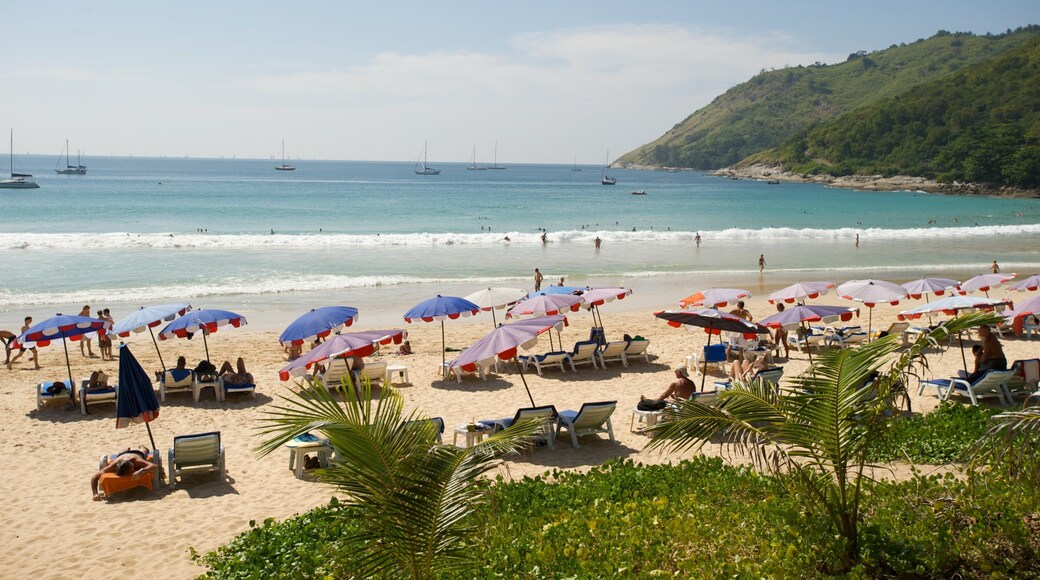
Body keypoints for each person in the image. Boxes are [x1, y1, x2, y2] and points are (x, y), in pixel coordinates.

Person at [91, 450, 159, 501]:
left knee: (143, 450)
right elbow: (94, 477)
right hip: (121, 456)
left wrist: (142, 470)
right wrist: (95, 494)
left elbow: (155, 466)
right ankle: (125, 449)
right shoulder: (113, 466)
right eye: (132, 470)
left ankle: (140, 448)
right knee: (122, 451)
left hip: (137, 453)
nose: (134, 470)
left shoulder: (135, 461)